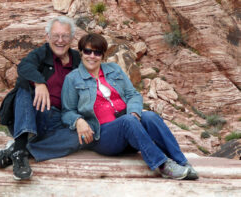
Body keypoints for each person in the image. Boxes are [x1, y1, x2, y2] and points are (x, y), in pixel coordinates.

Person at [61, 33, 199, 180]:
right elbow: (67, 111)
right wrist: (78, 121)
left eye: (97, 52)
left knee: (150, 116)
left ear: (102, 55)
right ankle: (163, 165)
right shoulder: (73, 79)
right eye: (88, 51)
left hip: (130, 127)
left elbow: (133, 94)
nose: (92, 56)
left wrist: (134, 112)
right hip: (103, 136)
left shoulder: (114, 69)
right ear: (81, 52)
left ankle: (182, 162)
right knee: (128, 121)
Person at [0, 16, 81, 180]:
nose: (60, 40)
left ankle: (19, 150)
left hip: (59, 120)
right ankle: (20, 151)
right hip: (33, 115)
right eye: (56, 35)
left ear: (72, 39)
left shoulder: (77, 59)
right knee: (24, 86)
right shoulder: (41, 53)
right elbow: (24, 66)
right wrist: (39, 82)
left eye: (65, 36)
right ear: (47, 37)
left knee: (80, 138)